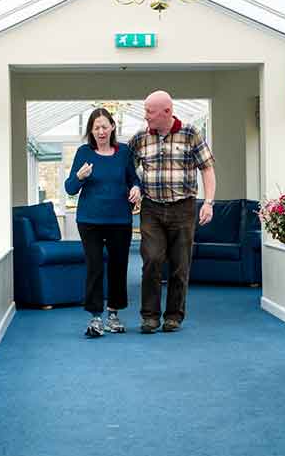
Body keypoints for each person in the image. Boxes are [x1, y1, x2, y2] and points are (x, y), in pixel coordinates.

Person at [128, 90, 216, 334]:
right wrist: (134, 186)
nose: (145, 116)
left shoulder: (190, 133)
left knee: (180, 265)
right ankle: (150, 316)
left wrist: (208, 202)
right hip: (152, 208)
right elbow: (127, 168)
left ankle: (174, 315)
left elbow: (207, 168)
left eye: (149, 112)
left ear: (167, 111)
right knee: (152, 260)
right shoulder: (140, 137)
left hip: (183, 208)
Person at [65, 108, 141, 338]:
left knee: (118, 267)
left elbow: (133, 179)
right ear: (91, 130)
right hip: (90, 220)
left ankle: (114, 314)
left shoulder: (124, 152)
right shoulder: (83, 152)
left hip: (120, 219)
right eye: (96, 127)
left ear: (112, 128)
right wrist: (80, 176)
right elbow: (70, 189)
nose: (100, 131)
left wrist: (137, 188)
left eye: (104, 126)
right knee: (95, 267)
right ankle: (95, 318)